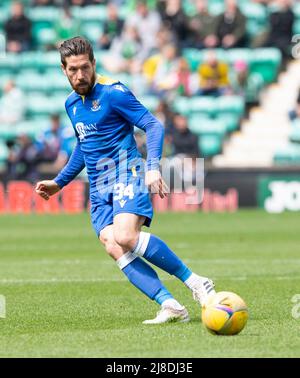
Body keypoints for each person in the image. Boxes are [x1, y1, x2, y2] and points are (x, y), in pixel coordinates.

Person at [35, 37, 216, 324]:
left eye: (84, 67)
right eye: (73, 70)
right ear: (63, 70)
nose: (80, 75)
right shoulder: (71, 104)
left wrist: (153, 167)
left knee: (125, 236)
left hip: (125, 172)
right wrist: (60, 182)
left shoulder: (114, 92)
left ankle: (196, 282)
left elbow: (153, 124)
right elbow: (84, 145)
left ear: (93, 64)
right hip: (98, 187)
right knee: (113, 244)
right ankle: (169, 305)